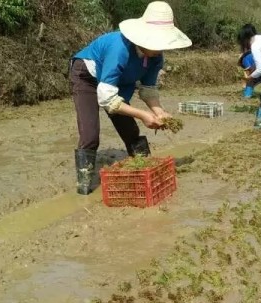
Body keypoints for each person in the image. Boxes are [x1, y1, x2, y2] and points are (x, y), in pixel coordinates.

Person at [69, 1, 192, 195]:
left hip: (118, 82)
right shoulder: (120, 49)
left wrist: (159, 112)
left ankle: (145, 170)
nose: (158, 49)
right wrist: (143, 115)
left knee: (130, 130)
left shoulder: (156, 57)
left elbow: (148, 89)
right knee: (90, 135)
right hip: (87, 77)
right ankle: (84, 187)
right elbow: (107, 99)